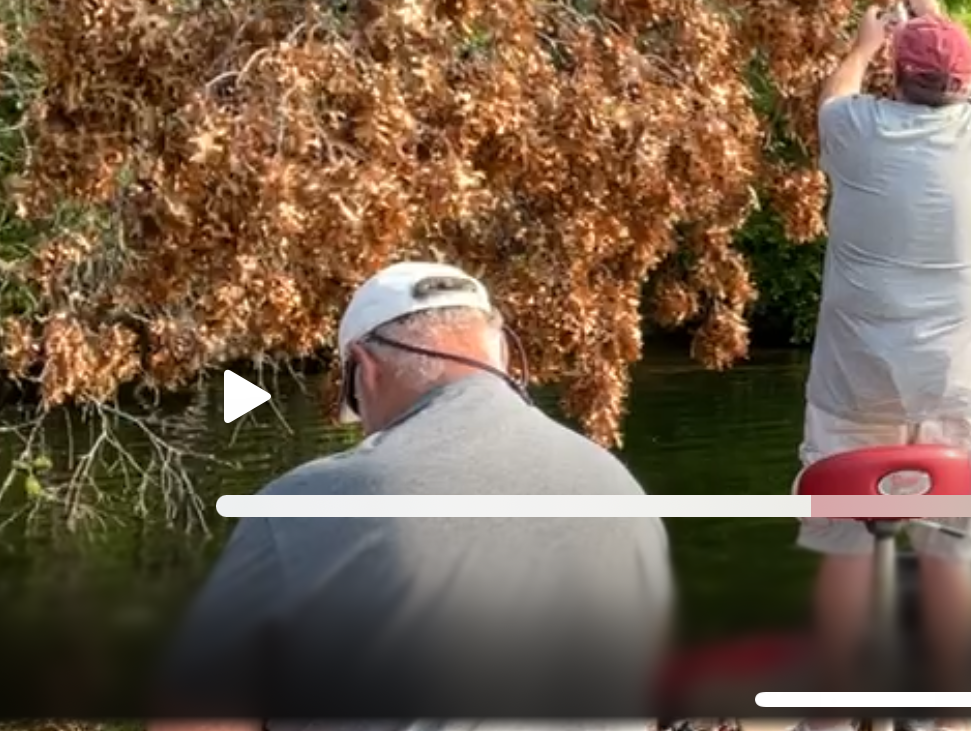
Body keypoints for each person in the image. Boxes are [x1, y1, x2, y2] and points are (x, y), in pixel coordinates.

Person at [151, 260, 674, 731]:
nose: (363, 429)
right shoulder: (618, 487)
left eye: (355, 405)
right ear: (500, 352)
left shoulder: (302, 506)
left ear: (365, 369)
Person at [802, 0, 971, 697]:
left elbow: (834, 94)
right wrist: (932, 16)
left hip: (856, 385)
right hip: (962, 381)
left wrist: (865, 44)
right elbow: (960, 77)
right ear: (963, 83)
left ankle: (833, 716)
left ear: (894, 75)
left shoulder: (854, 129)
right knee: (953, 548)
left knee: (846, 549)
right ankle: (955, 714)